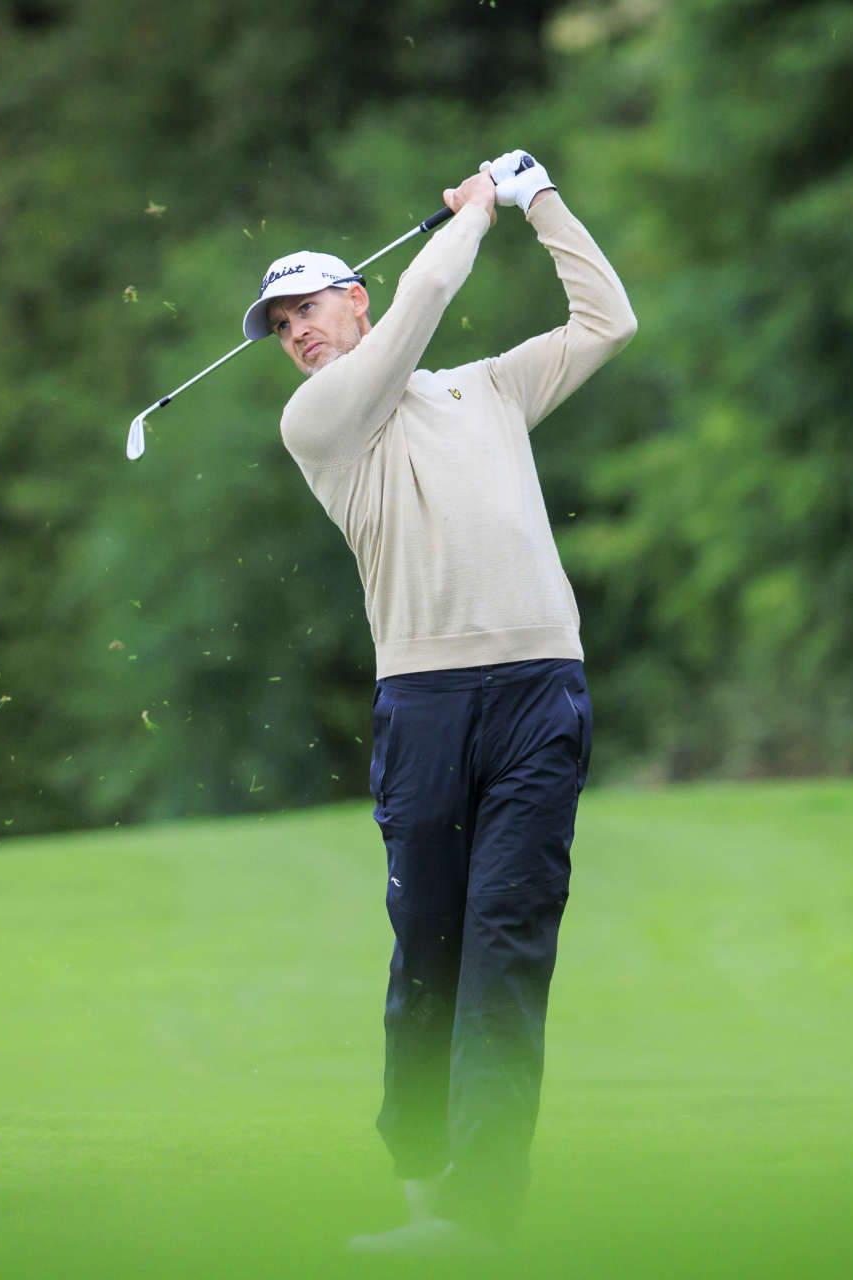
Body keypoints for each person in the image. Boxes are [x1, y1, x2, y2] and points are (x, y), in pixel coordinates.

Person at [245, 150, 636, 1252]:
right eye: (280, 328)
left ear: (349, 297)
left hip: (540, 693)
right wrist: (472, 211)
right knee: (430, 947)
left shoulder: (489, 389)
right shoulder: (321, 423)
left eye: (306, 309)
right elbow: (426, 297)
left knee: (508, 941)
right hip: (422, 706)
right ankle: (424, 1180)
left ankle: (480, 1205)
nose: (297, 336)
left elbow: (607, 322)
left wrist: (541, 195)